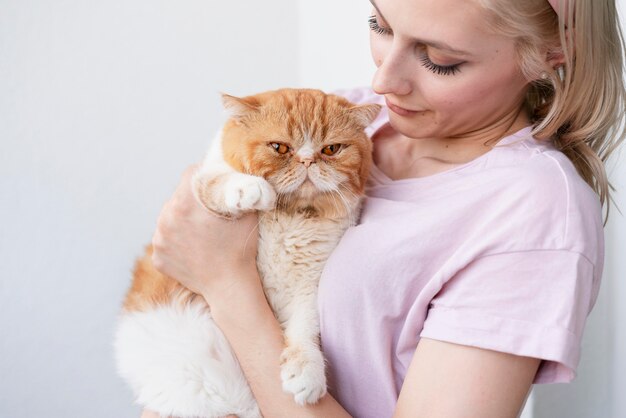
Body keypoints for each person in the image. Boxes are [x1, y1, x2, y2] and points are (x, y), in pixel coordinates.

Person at [144, 0, 626, 417]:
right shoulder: (348, 122)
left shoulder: (532, 211)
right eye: (381, 25)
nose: (383, 81)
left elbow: (206, 264)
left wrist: (226, 285)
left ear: (553, 51)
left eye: (440, 60)